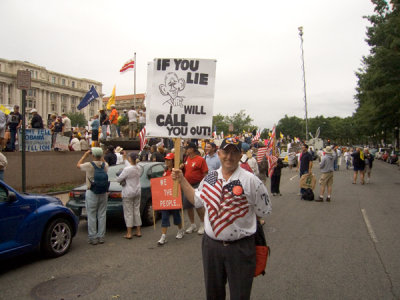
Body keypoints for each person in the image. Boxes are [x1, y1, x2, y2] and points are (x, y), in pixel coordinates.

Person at [171, 137, 271, 300]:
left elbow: (264, 210)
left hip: (240, 248)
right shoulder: (210, 178)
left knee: (240, 295)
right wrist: (182, 180)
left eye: (234, 152)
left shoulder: (251, 181)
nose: (229, 157)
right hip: (212, 247)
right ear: (219, 153)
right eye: (226, 152)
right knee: (213, 294)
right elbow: (197, 199)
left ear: (240, 155)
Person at [77, 148, 109, 245]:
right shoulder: (105, 165)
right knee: (102, 215)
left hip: (91, 192)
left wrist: (85, 155)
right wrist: (101, 156)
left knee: (91, 215)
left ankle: (93, 237)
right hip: (103, 192)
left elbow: (78, 165)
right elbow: (104, 162)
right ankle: (101, 236)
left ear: (93, 155)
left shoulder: (89, 165)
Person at [157, 153, 185, 245]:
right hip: (166, 198)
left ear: (173, 161)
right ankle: (163, 236)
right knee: (164, 216)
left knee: (176, 215)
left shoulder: (176, 171)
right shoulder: (164, 171)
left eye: (169, 160)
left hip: (174, 197)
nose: (167, 161)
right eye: (166, 160)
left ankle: (180, 230)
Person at [181, 142, 208, 235]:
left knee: (198, 206)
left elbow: (205, 173)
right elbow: (186, 170)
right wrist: (182, 167)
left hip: (197, 185)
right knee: (188, 206)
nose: (186, 150)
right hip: (187, 185)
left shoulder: (200, 159)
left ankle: (203, 224)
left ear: (192, 149)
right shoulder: (186, 158)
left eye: (187, 148)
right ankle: (192, 224)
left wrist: (205, 186)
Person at [116, 152, 142, 238]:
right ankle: (138, 231)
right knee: (136, 211)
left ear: (130, 159)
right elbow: (129, 164)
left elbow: (119, 179)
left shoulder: (127, 170)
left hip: (128, 192)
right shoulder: (139, 168)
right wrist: (124, 157)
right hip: (137, 191)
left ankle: (129, 233)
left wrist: (116, 177)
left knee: (128, 213)